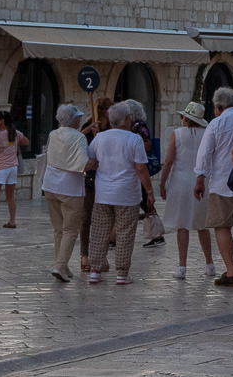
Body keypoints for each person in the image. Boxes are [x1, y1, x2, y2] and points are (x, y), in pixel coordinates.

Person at [193, 87, 233, 287]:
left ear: (218, 106)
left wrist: (200, 178)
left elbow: (205, 153)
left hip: (222, 182)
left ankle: (232, 272)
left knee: (222, 226)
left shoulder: (216, 123)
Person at [85, 101, 151, 284]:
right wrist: (150, 191)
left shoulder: (100, 138)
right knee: (125, 233)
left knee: (99, 232)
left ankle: (95, 270)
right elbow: (141, 169)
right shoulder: (134, 139)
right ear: (127, 118)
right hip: (127, 194)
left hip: (103, 193)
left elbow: (91, 161)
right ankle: (121, 273)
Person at [159, 101, 214, 280]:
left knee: (182, 225)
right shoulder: (207, 134)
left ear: (186, 118)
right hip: (202, 182)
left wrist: (162, 183)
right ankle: (209, 264)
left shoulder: (177, 134)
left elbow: (168, 161)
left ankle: (182, 267)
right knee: (202, 225)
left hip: (180, 183)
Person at [42, 104, 88, 282]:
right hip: (70, 188)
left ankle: (63, 266)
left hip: (51, 185)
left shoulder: (53, 134)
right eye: (79, 118)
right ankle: (60, 266)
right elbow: (83, 161)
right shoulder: (79, 138)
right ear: (75, 120)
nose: (80, 120)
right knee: (70, 230)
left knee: (58, 229)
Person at [77, 96, 113, 272]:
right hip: (91, 177)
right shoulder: (88, 127)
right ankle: (85, 256)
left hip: (108, 177)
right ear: (102, 110)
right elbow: (78, 146)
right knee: (86, 218)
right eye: (109, 108)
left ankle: (100, 255)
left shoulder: (113, 128)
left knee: (105, 219)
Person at [121, 100, 164, 248]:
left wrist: (134, 150)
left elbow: (147, 144)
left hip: (137, 166)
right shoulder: (131, 126)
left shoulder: (139, 126)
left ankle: (157, 233)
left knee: (145, 200)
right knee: (143, 199)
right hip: (132, 167)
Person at [0, 109, 29, 230]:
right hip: (13, 168)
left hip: (0, 167)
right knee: (10, 195)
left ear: (2, 121)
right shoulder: (15, 133)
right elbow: (26, 141)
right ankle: (12, 221)